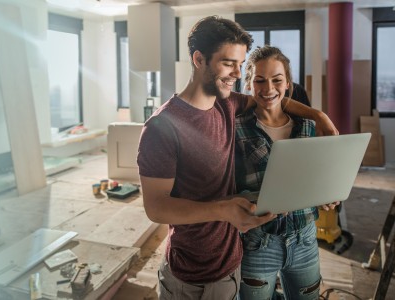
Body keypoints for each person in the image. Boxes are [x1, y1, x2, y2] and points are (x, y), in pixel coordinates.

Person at [137, 16, 337, 300]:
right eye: (229, 63)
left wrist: (319, 115)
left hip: (231, 263)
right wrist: (224, 209)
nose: (236, 73)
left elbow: (271, 97)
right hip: (189, 271)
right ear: (198, 59)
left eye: (241, 64)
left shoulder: (228, 104)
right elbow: (156, 208)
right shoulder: (161, 126)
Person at [235, 45, 339, 300]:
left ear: (287, 83)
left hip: (304, 238)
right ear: (249, 83)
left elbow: (316, 177)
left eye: (276, 80)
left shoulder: (307, 126)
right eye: (259, 80)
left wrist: (326, 195)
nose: (268, 88)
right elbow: (230, 186)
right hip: (259, 242)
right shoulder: (236, 128)